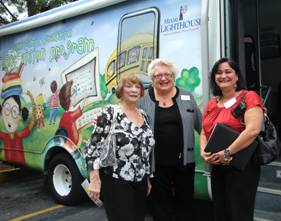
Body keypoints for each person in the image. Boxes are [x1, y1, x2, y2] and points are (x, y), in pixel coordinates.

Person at [200, 58, 264, 221]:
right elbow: (203, 131)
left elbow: (253, 130)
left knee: (239, 214)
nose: (223, 76)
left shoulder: (249, 97)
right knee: (220, 213)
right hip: (218, 165)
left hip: (241, 166)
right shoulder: (212, 103)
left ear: (236, 76)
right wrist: (203, 151)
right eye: (219, 72)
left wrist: (227, 152)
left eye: (228, 71)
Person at [138, 58, 202, 221]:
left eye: (167, 74)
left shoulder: (187, 96)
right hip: (156, 165)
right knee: (160, 208)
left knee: (185, 205)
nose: (163, 78)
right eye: (158, 75)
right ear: (152, 78)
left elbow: (202, 127)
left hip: (184, 164)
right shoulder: (142, 101)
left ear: (174, 77)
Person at [86, 73, 154, 221]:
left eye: (137, 87)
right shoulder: (110, 113)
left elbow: (145, 152)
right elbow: (93, 146)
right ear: (121, 90)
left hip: (140, 181)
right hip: (116, 180)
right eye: (129, 86)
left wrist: (147, 178)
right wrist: (95, 179)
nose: (134, 90)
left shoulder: (144, 115)